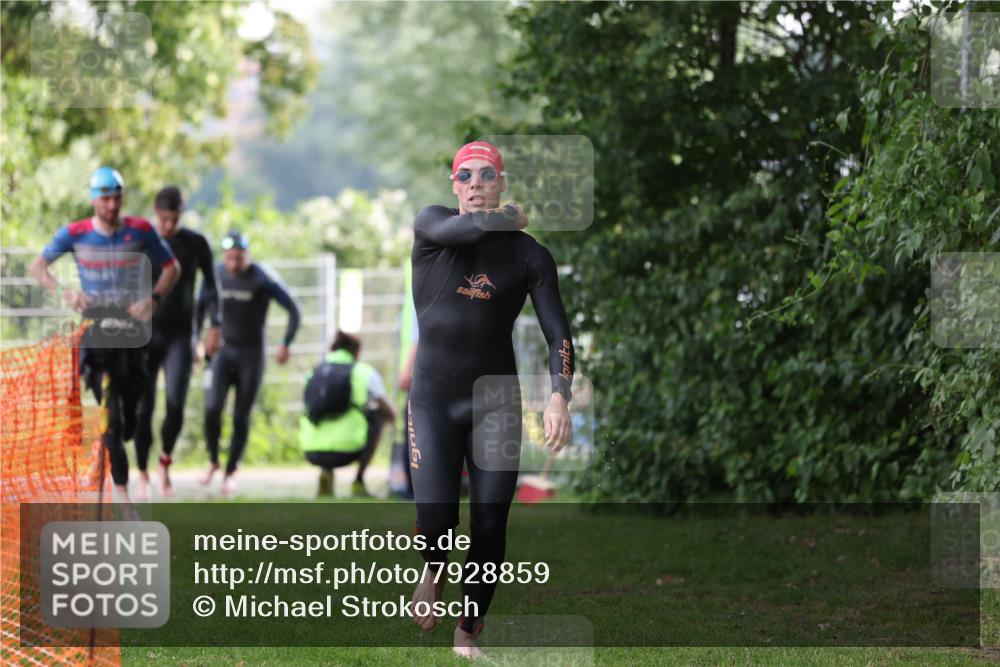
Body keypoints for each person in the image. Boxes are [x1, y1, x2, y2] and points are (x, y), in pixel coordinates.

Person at [407, 141, 574, 659]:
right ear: (454, 186)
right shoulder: (433, 227)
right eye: (466, 175)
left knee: (488, 521)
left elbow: (559, 336)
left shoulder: (529, 255)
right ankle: (434, 566)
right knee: (437, 517)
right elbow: (474, 228)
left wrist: (559, 397)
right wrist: (510, 217)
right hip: (433, 399)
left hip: (497, 402)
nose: (476, 183)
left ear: (500, 182)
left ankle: (467, 631)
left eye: (486, 174)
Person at [29, 167, 180, 504]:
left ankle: (120, 443)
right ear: (94, 199)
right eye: (105, 198)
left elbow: (173, 268)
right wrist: (66, 292)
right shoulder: (75, 233)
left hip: (134, 335)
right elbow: (38, 267)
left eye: (116, 198)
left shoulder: (140, 230)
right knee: (109, 416)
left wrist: (153, 299)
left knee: (132, 420)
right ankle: (123, 500)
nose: (112, 205)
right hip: (97, 333)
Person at [133, 186, 222, 499]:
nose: (169, 225)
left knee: (175, 404)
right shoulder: (143, 241)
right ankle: (142, 472)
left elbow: (212, 288)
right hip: (145, 335)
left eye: (174, 219)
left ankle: (165, 461)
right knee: (144, 409)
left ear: (181, 215)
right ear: (156, 215)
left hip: (181, 336)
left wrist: (216, 326)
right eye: (163, 219)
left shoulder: (196, 244)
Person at [198, 231, 301, 497]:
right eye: (230, 259)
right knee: (212, 408)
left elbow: (294, 309)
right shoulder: (216, 274)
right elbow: (198, 308)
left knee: (240, 415)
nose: (234, 265)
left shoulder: (261, 277)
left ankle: (231, 472)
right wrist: (199, 342)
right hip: (221, 352)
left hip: (251, 355)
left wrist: (285, 343)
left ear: (248, 256)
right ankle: (212, 460)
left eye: (239, 259)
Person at [300, 330, 396, 497]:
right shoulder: (363, 372)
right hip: (350, 450)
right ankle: (358, 481)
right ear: (357, 352)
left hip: (312, 451)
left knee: (323, 415)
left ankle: (326, 475)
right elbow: (390, 412)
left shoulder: (313, 372)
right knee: (378, 416)